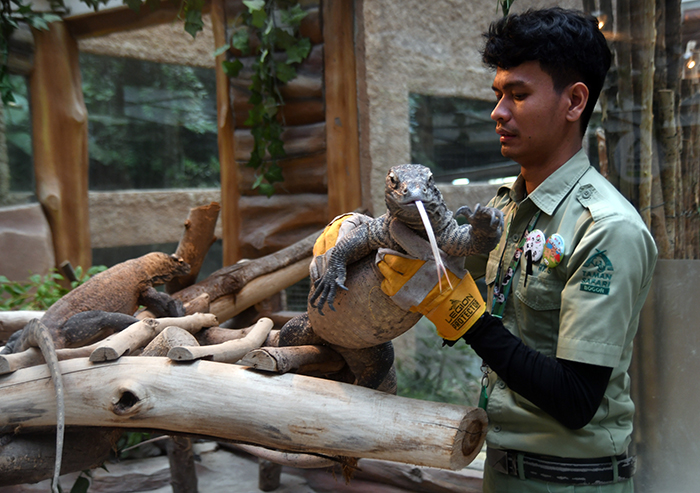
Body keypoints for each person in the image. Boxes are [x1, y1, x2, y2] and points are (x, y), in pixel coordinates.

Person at [377, 7, 658, 492]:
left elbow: (575, 398)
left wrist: (461, 312)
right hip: (501, 470)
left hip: (572, 483)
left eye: (518, 94)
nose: (497, 112)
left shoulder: (607, 229)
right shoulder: (504, 207)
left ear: (574, 102)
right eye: (498, 93)